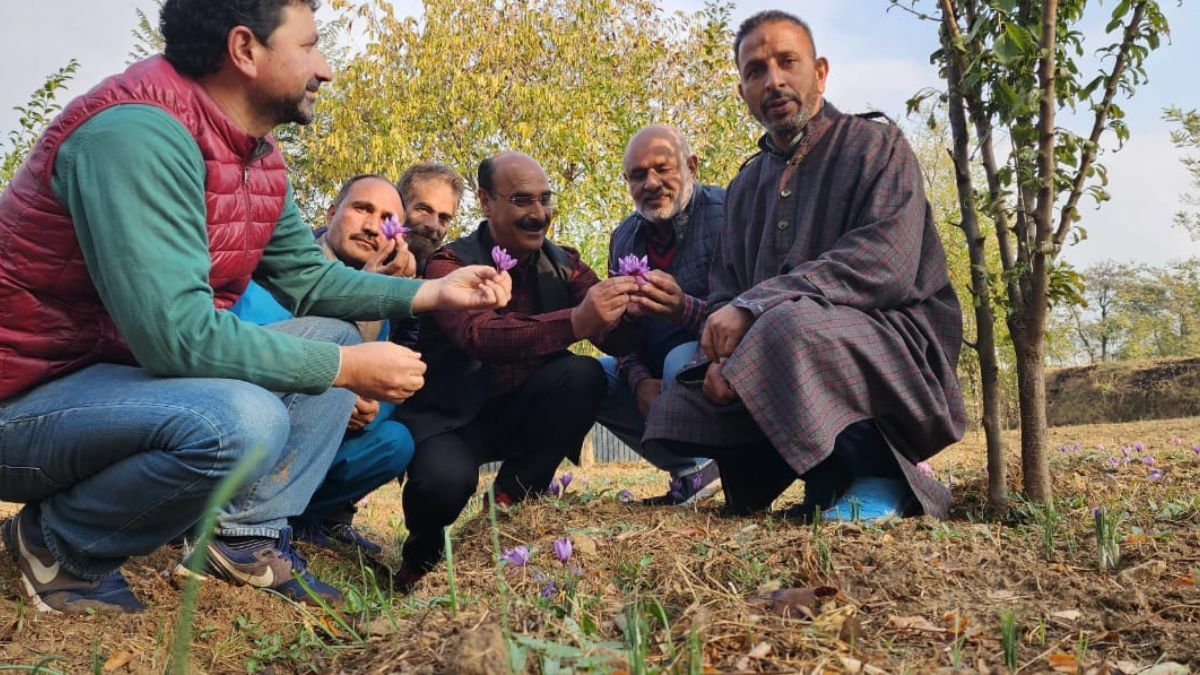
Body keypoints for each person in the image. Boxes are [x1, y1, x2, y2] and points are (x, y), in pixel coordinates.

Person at [0, 0, 510, 614]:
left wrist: (433, 292)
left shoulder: (257, 158)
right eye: (310, 46)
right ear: (245, 50)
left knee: (334, 333)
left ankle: (241, 541)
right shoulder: (137, 134)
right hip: (24, 401)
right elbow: (178, 339)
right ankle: (57, 543)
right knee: (241, 422)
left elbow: (311, 282)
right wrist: (345, 373)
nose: (325, 69)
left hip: (105, 387)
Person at [644, 10, 966, 522]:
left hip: (898, 341)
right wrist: (723, 358)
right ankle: (827, 477)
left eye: (786, 62)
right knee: (695, 374)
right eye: (754, 71)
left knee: (786, 326)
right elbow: (728, 288)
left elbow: (886, 264)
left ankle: (882, 476)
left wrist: (756, 309)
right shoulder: (747, 185)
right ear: (744, 91)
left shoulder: (877, 146)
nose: (772, 80)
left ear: (819, 72)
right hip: (790, 337)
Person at [392, 151, 638, 590]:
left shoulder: (565, 262)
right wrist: (576, 321)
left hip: (523, 410)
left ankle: (506, 505)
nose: (538, 213)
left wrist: (639, 307)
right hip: (452, 420)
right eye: (523, 201)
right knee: (442, 485)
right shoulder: (449, 264)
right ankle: (421, 555)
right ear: (486, 202)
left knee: (583, 376)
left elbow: (614, 337)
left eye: (545, 199)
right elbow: (480, 335)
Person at [230, 174, 418, 554]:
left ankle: (305, 517)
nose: (371, 227)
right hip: (249, 423)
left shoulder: (377, 301)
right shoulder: (278, 270)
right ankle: (241, 522)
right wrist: (336, 384)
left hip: (310, 439)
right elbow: (239, 358)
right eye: (362, 208)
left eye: (386, 220)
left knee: (395, 436)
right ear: (332, 212)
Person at [595, 125, 724, 505]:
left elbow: (750, 310)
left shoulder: (727, 215)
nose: (651, 183)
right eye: (638, 175)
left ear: (692, 167)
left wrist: (683, 307)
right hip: (654, 369)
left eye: (663, 169)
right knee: (590, 376)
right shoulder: (623, 238)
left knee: (676, 363)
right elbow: (617, 333)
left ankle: (721, 460)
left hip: (711, 362)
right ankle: (692, 469)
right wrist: (637, 380)